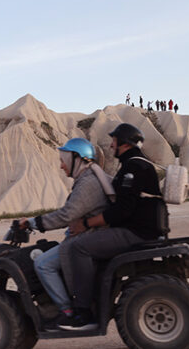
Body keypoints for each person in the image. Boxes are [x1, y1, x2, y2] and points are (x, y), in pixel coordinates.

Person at [57, 123, 165, 331]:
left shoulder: (133, 168)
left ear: (124, 143)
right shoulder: (135, 164)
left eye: (115, 141)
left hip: (135, 232)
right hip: (140, 229)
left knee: (78, 247)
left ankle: (83, 311)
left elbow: (120, 212)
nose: (112, 145)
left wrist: (86, 224)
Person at [18, 138, 112, 331]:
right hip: (88, 236)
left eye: (63, 160)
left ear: (76, 158)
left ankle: (68, 311)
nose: (61, 165)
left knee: (43, 264)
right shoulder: (87, 179)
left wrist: (34, 222)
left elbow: (67, 214)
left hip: (88, 239)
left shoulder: (88, 183)